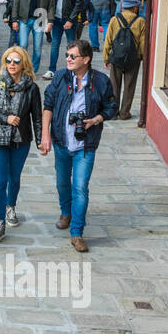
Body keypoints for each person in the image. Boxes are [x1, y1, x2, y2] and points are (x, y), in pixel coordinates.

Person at [40, 39, 117, 252]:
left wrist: (95, 120)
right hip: (61, 141)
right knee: (62, 183)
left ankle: (77, 233)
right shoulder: (60, 77)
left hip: (86, 144)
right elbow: (48, 105)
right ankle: (66, 212)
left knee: (80, 188)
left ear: (86, 59)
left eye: (73, 56)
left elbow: (112, 107)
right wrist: (45, 134)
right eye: (67, 55)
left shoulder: (100, 81)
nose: (68, 59)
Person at [0, 46, 43, 242]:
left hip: (21, 140)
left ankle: (11, 207)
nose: (12, 64)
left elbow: (37, 118)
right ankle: (0, 222)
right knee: (0, 181)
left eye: (16, 61)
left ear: (23, 63)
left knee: (14, 178)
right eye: (8, 60)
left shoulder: (31, 88)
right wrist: (5, 119)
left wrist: (41, 141)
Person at [102, 0, 147, 121]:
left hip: (116, 57)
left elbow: (108, 41)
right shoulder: (140, 22)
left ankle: (114, 112)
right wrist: (140, 57)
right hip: (133, 59)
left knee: (114, 84)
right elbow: (143, 43)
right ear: (135, 8)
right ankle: (124, 113)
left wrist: (106, 58)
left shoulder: (114, 20)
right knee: (129, 85)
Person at [42, 0, 84, 79]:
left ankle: (72, 70)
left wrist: (71, 20)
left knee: (71, 46)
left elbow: (79, 3)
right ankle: (51, 70)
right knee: (55, 44)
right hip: (57, 19)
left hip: (69, 20)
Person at [9, 0, 44, 74]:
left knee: (37, 48)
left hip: (39, 20)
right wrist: (14, 20)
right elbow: (16, 5)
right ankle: (22, 68)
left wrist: (50, 21)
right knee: (22, 46)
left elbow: (51, 5)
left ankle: (33, 70)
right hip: (24, 19)